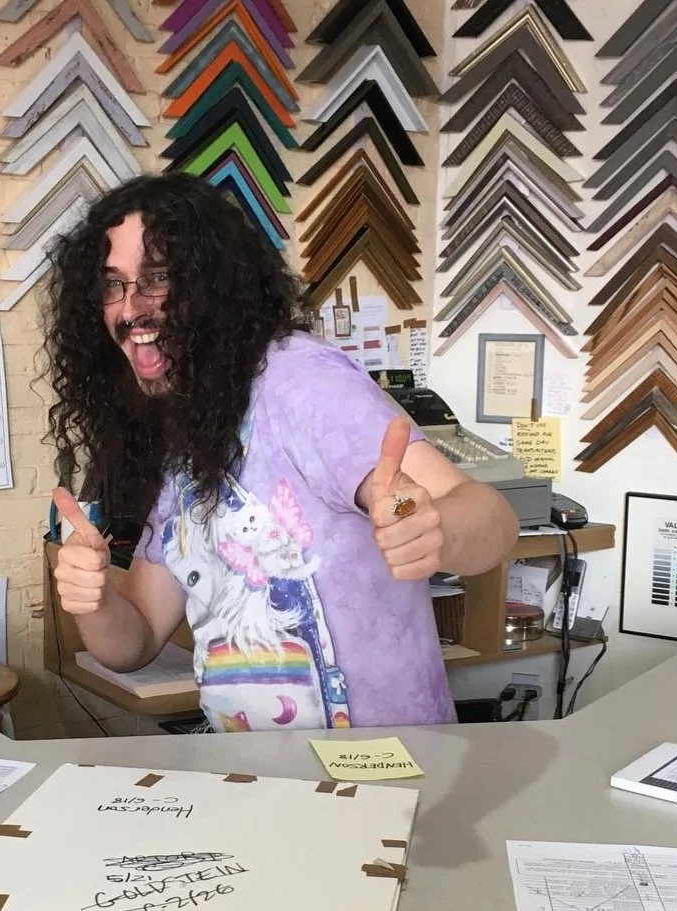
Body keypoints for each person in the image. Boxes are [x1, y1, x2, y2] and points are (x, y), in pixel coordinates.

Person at [46, 173, 519, 733]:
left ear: (211, 284)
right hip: (260, 788)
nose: (130, 310)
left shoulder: (298, 377)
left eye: (158, 279)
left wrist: (432, 526)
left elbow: (492, 516)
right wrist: (94, 601)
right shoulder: (190, 432)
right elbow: (140, 638)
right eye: (113, 286)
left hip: (382, 778)